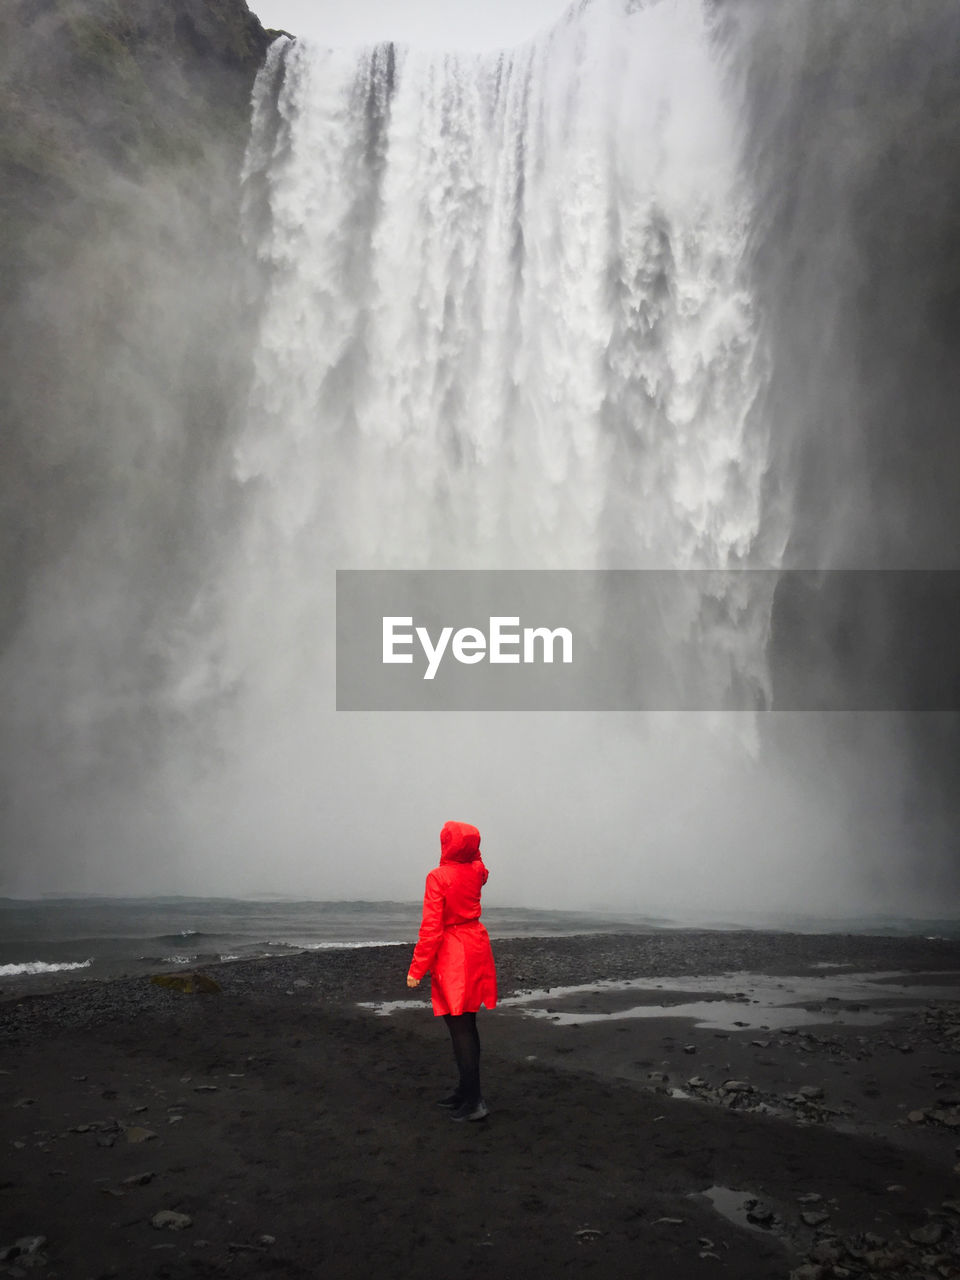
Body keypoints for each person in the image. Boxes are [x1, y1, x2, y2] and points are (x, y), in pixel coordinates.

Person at [406, 820, 498, 1121]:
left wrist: (417, 968)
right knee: (467, 1024)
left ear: (446, 844)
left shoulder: (438, 877)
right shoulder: (476, 872)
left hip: (454, 952)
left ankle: (474, 1101)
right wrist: (473, 847)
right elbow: (479, 861)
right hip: (475, 945)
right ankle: (466, 1091)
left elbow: (431, 928)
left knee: (460, 1027)